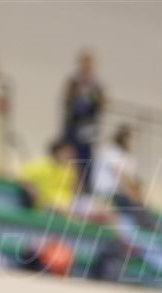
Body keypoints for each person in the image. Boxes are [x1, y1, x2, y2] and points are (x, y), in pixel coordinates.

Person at [92, 124, 156, 230]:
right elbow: (121, 176)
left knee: (138, 198)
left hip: (118, 192)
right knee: (134, 201)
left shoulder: (126, 156)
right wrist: (132, 193)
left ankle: (148, 222)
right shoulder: (110, 151)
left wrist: (137, 190)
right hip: (107, 192)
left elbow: (131, 179)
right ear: (124, 138)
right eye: (131, 139)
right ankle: (147, 224)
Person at [61, 50, 105, 193]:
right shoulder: (74, 82)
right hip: (74, 126)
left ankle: (84, 186)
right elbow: (67, 101)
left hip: (87, 127)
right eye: (85, 62)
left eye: (90, 63)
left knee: (85, 157)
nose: (87, 66)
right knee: (70, 155)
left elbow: (101, 104)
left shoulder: (96, 85)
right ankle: (68, 182)